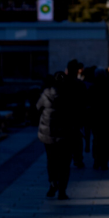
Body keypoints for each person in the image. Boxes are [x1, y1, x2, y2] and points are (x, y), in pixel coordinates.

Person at [36, 71, 80, 199]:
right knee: (65, 163)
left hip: (48, 134)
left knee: (51, 160)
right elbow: (76, 113)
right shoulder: (70, 94)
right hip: (65, 134)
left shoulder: (46, 94)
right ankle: (62, 190)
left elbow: (37, 108)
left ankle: (52, 183)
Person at [87, 66, 109, 170]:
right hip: (108, 120)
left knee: (97, 139)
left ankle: (97, 160)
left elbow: (87, 104)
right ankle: (104, 161)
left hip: (96, 119)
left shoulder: (92, 89)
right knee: (106, 141)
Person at [64, 59, 87, 169]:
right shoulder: (80, 84)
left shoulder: (63, 84)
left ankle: (70, 157)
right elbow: (85, 101)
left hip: (66, 116)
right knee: (77, 139)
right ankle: (77, 159)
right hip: (76, 116)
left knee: (67, 138)